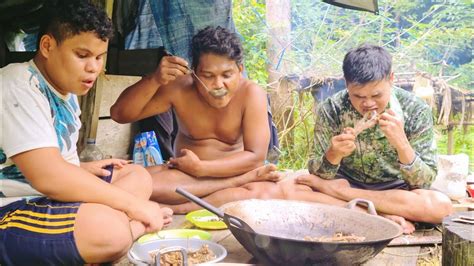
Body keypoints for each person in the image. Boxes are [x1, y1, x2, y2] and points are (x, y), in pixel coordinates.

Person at [0, 1, 172, 265]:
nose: (94, 67)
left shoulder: (66, 92)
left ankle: (105, 236)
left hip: (52, 197)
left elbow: (45, 160)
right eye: (82, 55)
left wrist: (80, 167)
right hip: (14, 206)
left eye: (99, 56)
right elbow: (48, 177)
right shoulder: (17, 85)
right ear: (47, 46)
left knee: (137, 176)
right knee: (108, 229)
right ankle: (131, 230)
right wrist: (133, 207)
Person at [283, 44, 452, 233]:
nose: (368, 104)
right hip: (346, 180)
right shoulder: (332, 109)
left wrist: (402, 144)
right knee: (290, 191)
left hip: (395, 193)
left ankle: (353, 205)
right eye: (358, 96)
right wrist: (333, 155)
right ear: (347, 84)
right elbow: (317, 175)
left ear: (391, 79)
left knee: (441, 207)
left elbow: (424, 182)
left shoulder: (415, 109)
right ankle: (377, 216)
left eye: (376, 95)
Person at [111, 26, 282, 213]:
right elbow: (120, 114)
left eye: (227, 75)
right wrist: (154, 80)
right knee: (120, 180)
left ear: (240, 70)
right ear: (194, 73)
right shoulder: (179, 88)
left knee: (268, 193)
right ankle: (234, 185)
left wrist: (201, 168)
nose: (218, 85)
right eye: (208, 76)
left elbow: (256, 157)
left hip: (233, 172)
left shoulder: (251, 93)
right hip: (183, 176)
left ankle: (180, 206)